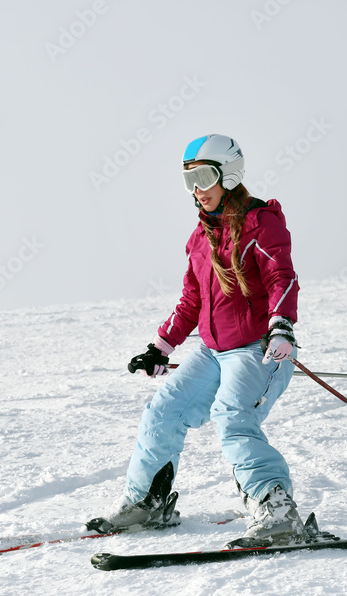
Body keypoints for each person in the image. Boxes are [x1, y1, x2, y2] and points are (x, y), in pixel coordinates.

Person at [87, 134, 305, 547]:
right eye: (189, 181)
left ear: (230, 175)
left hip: (259, 349)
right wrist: (161, 348)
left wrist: (282, 324)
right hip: (212, 351)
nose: (197, 190)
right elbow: (192, 299)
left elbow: (282, 275)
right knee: (163, 410)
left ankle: (277, 510)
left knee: (232, 415)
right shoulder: (200, 237)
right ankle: (147, 503)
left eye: (204, 177)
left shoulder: (262, 223)